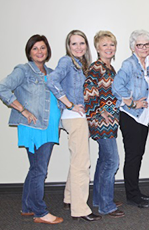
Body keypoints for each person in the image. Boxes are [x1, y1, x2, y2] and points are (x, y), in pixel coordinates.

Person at [0, 35, 63, 224]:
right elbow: (3, 88)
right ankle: (40, 212)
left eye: (42, 48)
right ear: (29, 51)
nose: (39, 51)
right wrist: (23, 109)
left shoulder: (52, 73)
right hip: (34, 127)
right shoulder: (23, 70)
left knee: (36, 168)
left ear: (48, 50)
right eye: (35, 48)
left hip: (50, 127)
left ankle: (28, 206)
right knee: (40, 170)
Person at [47, 30, 101, 221]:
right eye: (74, 44)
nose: (78, 47)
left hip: (79, 117)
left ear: (86, 45)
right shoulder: (67, 61)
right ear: (68, 47)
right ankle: (80, 210)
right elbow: (51, 81)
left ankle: (70, 198)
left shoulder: (83, 64)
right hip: (73, 117)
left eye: (81, 43)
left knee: (77, 159)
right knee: (82, 164)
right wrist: (69, 103)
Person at [83, 31, 125, 218]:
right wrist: (101, 111)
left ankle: (100, 199)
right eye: (105, 45)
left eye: (112, 44)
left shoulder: (111, 68)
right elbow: (89, 92)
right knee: (112, 161)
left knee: (103, 161)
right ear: (98, 48)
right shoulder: (96, 68)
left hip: (111, 121)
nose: (109, 48)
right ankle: (106, 206)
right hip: (101, 122)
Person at [113, 30, 149, 208]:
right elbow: (116, 87)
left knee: (138, 155)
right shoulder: (129, 64)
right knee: (133, 156)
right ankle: (132, 195)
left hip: (144, 118)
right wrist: (131, 103)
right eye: (140, 45)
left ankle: (135, 190)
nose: (144, 48)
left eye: (147, 44)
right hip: (131, 117)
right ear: (132, 47)